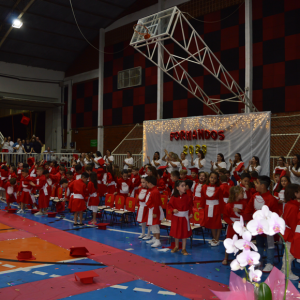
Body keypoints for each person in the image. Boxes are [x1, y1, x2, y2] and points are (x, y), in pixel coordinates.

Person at [244, 176, 279, 272]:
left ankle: (269, 263)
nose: (255, 185)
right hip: (257, 227)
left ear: (263, 186)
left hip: (268, 228)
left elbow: (276, 215)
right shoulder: (254, 196)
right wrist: (247, 223)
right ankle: (258, 260)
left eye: (257, 183)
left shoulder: (271, 199)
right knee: (259, 244)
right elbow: (248, 209)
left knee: (270, 245)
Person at [222, 186, 247, 265]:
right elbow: (225, 216)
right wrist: (231, 223)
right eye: (241, 193)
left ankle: (240, 258)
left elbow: (247, 213)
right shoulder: (229, 204)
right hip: (232, 226)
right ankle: (226, 257)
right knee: (229, 241)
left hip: (241, 226)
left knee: (241, 242)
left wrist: (240, 211)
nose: (243, 194)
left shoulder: (244, 203)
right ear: (236, 194)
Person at [200, 171, 225, 246]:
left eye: (215, 178)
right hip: (208, 207)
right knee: (211, 223)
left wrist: (222, 211)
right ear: (209, 178)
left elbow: (221, 200)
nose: (212, 179)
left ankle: (217, 239)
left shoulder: (218, 188)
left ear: (217, 179)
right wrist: (202, 206)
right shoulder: (204, 187)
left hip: (216, 207)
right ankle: (214, 238)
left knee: (217, 223)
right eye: (211, 177)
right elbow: (203, 197)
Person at [168, 180, 193, 255]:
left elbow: (190, 206)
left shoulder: (187, 197)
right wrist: (173, 210)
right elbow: (169, 206)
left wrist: (191, 213)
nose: (184, 187)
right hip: (176, 218)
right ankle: (176, 246)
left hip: (184, 218)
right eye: (182, 186)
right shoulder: (173, 197)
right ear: (177, 188)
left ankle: (184, 248)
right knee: (176, 232)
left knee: (184, 232)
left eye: (185, 185)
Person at [281, 184, 300, 280]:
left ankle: (285, 270)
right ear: (295, 194)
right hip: (291, 235)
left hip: (290, 233)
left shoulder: (292, 204)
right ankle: (286, 272)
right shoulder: (293, 207)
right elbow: (293, 223)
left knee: (289, 253)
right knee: (289, 254)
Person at [145, 175, 164, 248]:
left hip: (154, 210)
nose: (146, 184)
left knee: (155, 225)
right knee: (152, 225)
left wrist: (155, 213)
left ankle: (157, 240)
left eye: (147, 183)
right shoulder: (152, 190)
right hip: (151, 209)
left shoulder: (155, 191)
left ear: (150, 183)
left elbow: (156, 203)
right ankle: (154, 238)